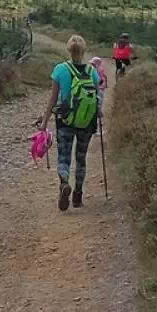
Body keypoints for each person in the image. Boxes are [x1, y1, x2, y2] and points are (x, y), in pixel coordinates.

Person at [37, 35, 102, 211]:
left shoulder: (60, 69)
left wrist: (44, 123)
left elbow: (52, 99)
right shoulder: (92, 71)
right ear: (84, 51)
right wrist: (99, 114)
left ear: (68, 50)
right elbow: (97, 97)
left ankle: (64, 183)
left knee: (64, 157)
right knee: (81, 159)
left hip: (65, 120)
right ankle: (78, 197)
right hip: (86, 123)